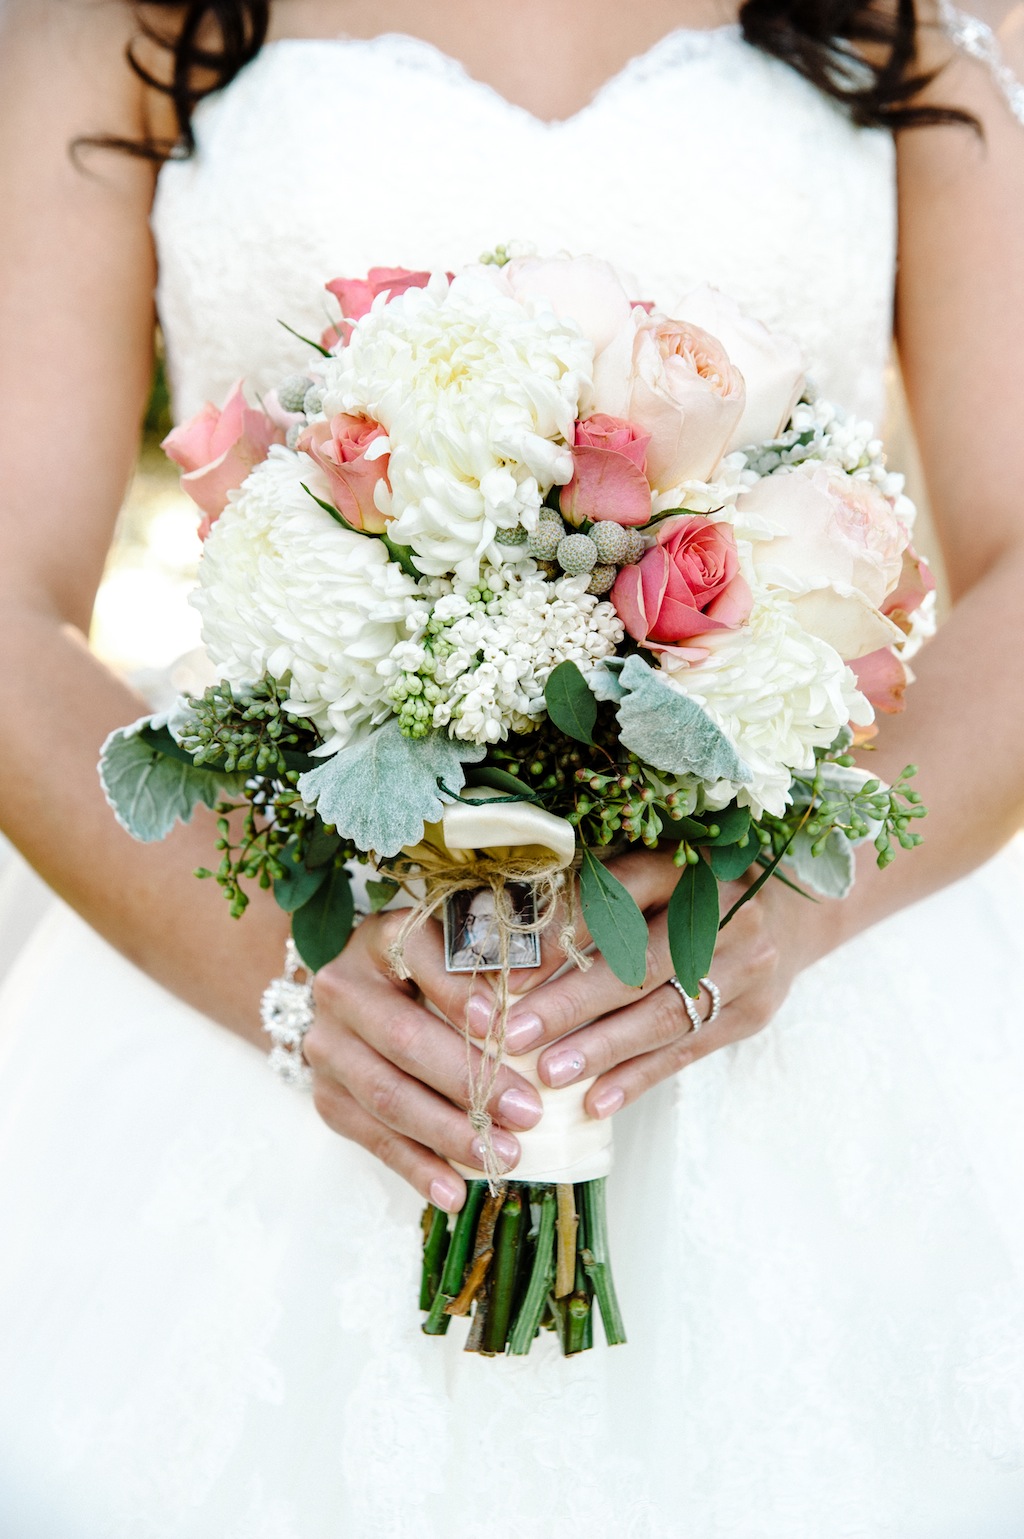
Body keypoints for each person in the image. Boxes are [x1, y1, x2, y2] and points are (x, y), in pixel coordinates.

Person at [1, 0, 1023, 1533]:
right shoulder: (111, 23)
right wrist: (294, 977)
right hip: (276, 975)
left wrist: (797, 901)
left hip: (811, 988)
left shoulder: (938, 17)